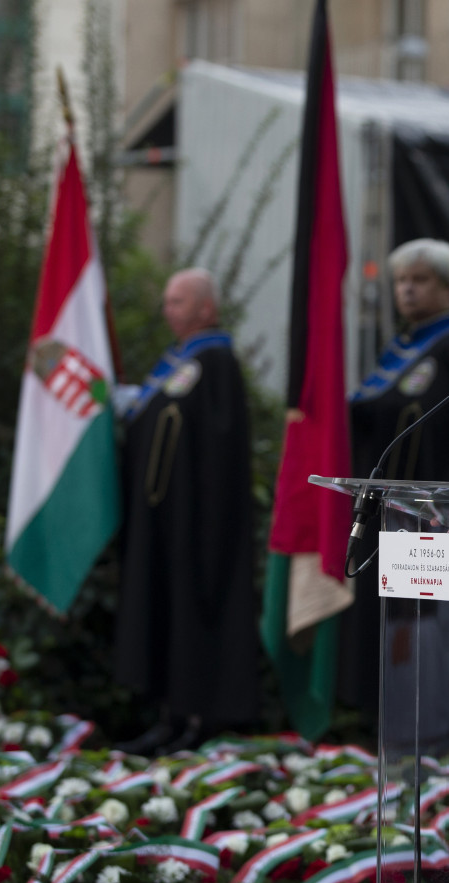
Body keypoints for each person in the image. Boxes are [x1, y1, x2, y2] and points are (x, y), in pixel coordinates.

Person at [336, 238, 449, 751]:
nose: (407, 289)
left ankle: (442, 741)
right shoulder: (400, 350)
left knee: (432, 634)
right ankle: (400, 738)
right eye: (401, 280)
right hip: (393, 523)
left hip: (438, 525)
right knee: (397, 629)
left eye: (420, 279)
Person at [112, 268, 260, 755]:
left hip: (197, 524)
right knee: (165, 612)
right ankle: (170, 715)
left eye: (178, 301)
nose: (167, 310)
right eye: (167, 301)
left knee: (194, 615)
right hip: (165, 521)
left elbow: (216, 446)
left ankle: (199, 719)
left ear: (205, 308)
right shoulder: (178, 359)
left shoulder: (213, 361)